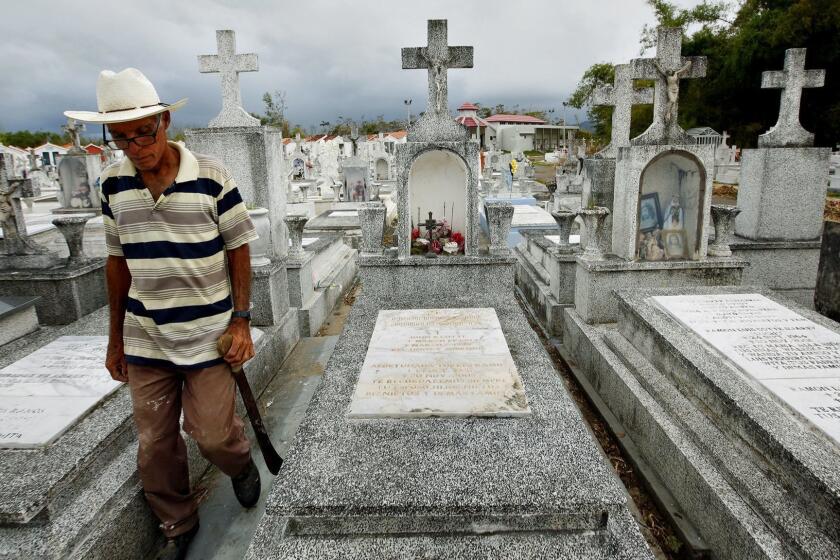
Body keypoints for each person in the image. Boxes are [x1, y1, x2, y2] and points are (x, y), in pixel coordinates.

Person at [65, 68, 261, 560]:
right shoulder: (112, 186)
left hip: (207, 333)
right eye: (121, 138)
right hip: (146, 335)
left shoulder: (212, 177)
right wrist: (115, 339)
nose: (135, 147)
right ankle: (178, 522)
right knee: (154, 444)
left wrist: (241, 319)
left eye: (143, 133)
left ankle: (238, 464)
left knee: (213, 435)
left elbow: (239, 247)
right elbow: (117, 262)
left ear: (165, 120)